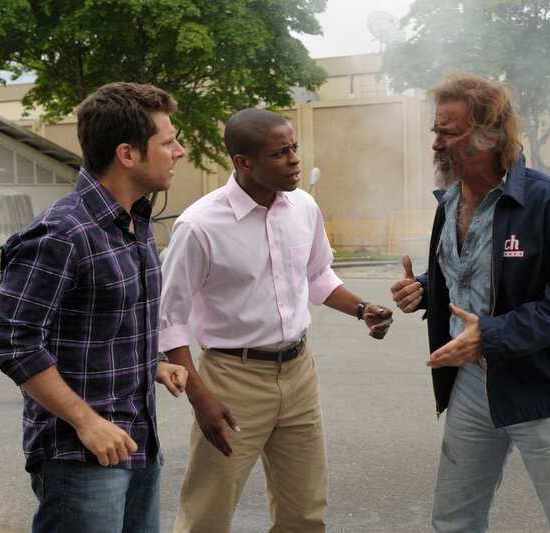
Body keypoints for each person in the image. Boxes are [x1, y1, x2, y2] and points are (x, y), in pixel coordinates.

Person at [390, 71, 550, 532]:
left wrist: (488, 335)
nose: (436, 144)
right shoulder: (449, 202)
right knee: (454, 519)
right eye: (436, 131)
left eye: (448, 133)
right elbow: (471, 273)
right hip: (472, 387)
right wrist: (428, 289)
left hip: (545, 389)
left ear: (489, 135)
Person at [158, 107, 394, 532]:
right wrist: (199, 396)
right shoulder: (199, 226)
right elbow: (169, 319)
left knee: (304, 512)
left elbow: (318, 275)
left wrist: (362, 309)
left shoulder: (303, 207)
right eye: (279, 153)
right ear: (243, 162)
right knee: (207, 514)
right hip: (232, 379)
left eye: (294, 148)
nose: (294, 160)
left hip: (299, 374)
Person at [0, 82, 189, 533]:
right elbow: (13, 343)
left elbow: (100, 322)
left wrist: (151, 364)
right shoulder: (61, 233)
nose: (180, 151)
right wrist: (86, 421)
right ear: (127, 154)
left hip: (139, 441)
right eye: (168, 141)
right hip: (80, 455)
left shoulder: (135, 221)